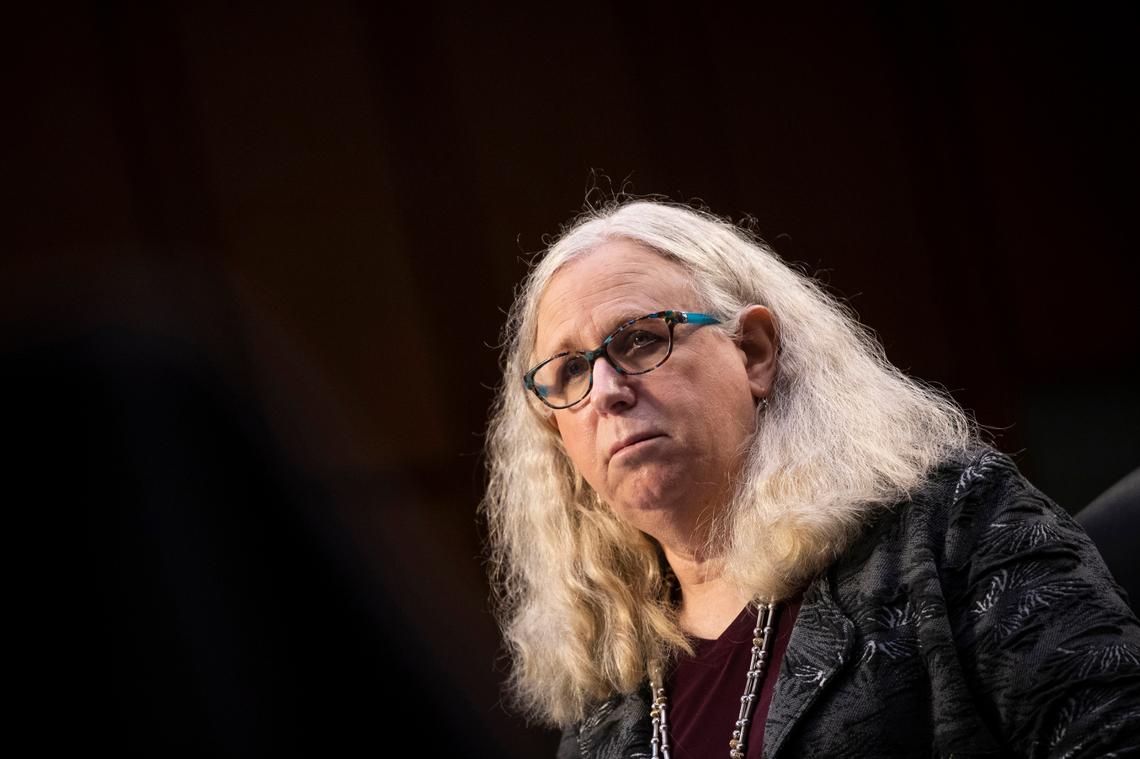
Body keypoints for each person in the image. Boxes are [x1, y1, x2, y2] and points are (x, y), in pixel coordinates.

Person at [482, 200, 1140, 758]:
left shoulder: (948, 525)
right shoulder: (605, 712)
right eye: (568, 371)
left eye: (640, 339)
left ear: (754, 352)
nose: (605, 391)